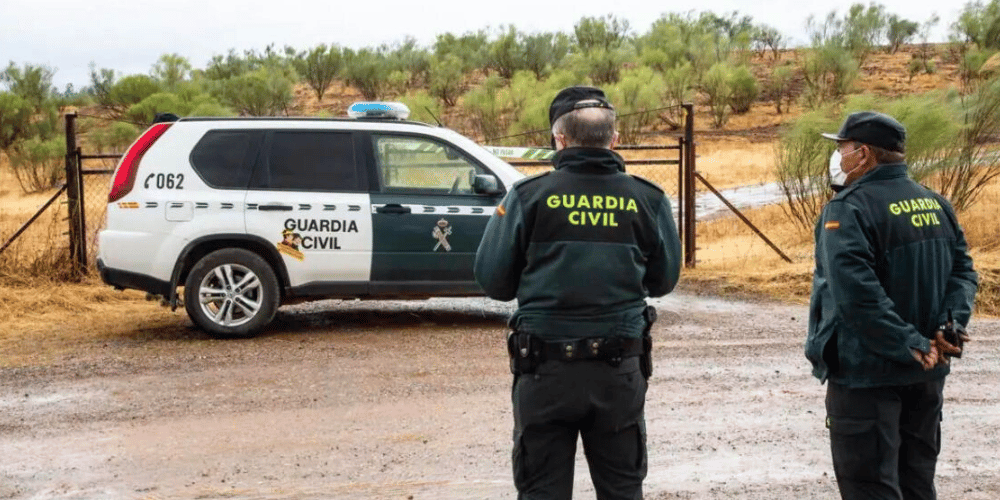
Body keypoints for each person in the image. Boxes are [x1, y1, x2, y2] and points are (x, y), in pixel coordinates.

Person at [474, 86, 682, 499]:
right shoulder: (648, 198)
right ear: (614, 140)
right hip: (618, 371)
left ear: (559, 139)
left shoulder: (528, 197)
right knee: (622, 489)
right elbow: (663, 282)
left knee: (542, 490)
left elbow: (493, 281)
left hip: (545, 371)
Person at [806, 111, 978, 500]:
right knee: (917, 482)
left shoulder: (848, 208)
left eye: (841, 148)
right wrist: (948, 327)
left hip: (868, 375)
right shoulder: (936, 203)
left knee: (870, 486)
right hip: (927, 372)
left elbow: (855, 294)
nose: (838, 157)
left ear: (863, 154)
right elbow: (963, 274)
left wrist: (907, 343)